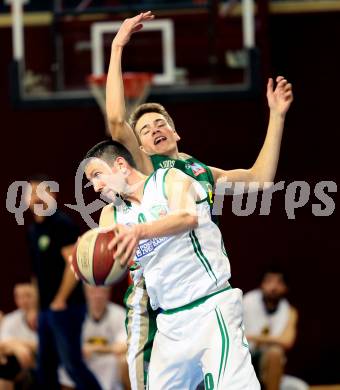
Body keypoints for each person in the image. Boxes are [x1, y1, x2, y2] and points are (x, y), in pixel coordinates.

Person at [105, 11, 293, 390]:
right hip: (170, 314)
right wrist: (116, 47)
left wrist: (276, 116)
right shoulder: (150, 168)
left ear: (176, 132)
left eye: (160, 123)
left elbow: (260, 180)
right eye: (145, 129)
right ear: (139, 147)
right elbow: (114, 119)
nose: (154, 129)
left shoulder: (201, 171)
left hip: (211, 300)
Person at [83, 139, 261, 389]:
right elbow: (112, 261)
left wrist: (140, 232)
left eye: (97, 175)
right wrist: (86, 264)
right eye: (91, 181)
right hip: (170, 323)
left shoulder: (169, 179)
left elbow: (187, 217)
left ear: (121, 165)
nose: (96, 186)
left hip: (212, 306)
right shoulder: (110, 215)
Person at [26, 174, 102, 390]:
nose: (36, 198)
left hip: (67, 307)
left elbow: (73, 264)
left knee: (72, 365)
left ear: (53, 195)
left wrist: (60, 299)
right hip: (46, 310)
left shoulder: (62, 224)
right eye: (31, 193)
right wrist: (34, 308)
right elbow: (36, 273)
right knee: (45, 368)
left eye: (42, 192)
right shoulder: (33, 230)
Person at [59, 285, 129, 390]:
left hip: (110, 361)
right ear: (86, 293)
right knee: (65, 365)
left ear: (109, 293)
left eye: (102, 292)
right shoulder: (76, 315)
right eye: (93, 292)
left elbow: (124, 346)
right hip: (84, 361)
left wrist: (94, 348)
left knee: (122, 361)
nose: (98, 296)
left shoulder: (119, 313)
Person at [242, 267, 299, 390]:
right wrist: (272, 339)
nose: (273, 287)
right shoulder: (247, 301)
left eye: (279, 282)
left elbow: (287, 341)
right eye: (269, 282)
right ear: (261, 285)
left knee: (275, 353)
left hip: (267, 362)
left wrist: (256, 337)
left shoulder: (289, 311)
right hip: (245, 356)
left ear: (285, 287)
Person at [0, 283, 38, 390]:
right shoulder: (11, 318)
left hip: (43, 364)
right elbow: (3, 344)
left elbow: (48, 346)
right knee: (5, 364)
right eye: (19, 297)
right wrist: (17, 348)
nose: (23, 300)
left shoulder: (47, 316)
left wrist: (19, 345)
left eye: (28, 295)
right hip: (20, 368)